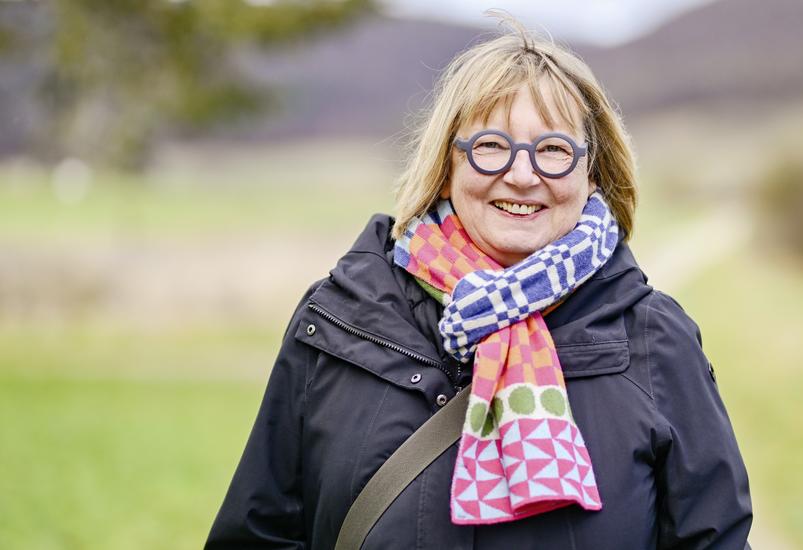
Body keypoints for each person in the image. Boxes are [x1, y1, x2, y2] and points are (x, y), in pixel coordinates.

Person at [206, 16, 752, 550]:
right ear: (447, 162)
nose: (521, 174)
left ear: (592, 173)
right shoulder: (340, 318)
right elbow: (260, 534)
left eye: (554, 150)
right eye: (491, 145)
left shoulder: (656, 341)